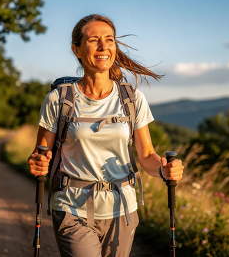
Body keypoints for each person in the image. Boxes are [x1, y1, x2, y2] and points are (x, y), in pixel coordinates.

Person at [28, 14, 184, 257]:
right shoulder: (59, 100)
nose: (103, 47)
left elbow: (146, 156)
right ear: (76, 50)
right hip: (72, 208)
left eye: (109, 40)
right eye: (93, 40)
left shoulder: (132, 99)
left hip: (122, 209)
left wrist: (164, 169)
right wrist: (38, 163)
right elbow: (42, 155)